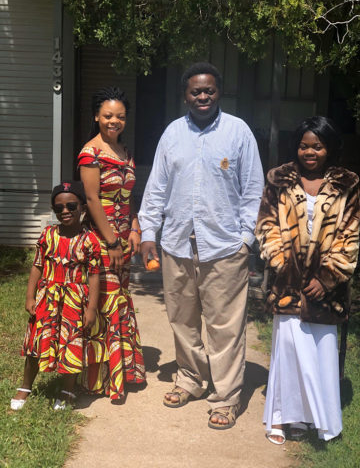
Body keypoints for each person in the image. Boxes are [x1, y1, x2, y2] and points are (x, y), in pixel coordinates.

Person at [138, 62, 264, 429]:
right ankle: (190, 380)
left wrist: (245, 239)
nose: (203, 96)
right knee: (183, 321)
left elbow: (253, 190)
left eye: (209, 90)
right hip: (177, 244)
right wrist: (149, 232)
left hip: (224, 248)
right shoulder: (172, 134)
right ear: (185, 96)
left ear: (218, 92)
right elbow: (157, 187)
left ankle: (225, 398)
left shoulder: (238, 132)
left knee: (225, 328)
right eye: (196, 91)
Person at [255, 116, 360, 444]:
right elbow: (266, 225)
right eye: (304, 146)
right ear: (296, 146)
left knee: (320, 352)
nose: (310, 152)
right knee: (288, 351)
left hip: (328, 290)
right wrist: (282, 263)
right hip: (288, 283)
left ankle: (313, 420)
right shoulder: (278, 179)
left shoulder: (348, 183)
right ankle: (281, 417)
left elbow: (351, 233)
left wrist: (328, 278)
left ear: (329, 148)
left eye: (317, 146)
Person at [78, 87, 146, 401]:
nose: (114, 121)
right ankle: (98, 379)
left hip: (123, 241)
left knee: (118, 303)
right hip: (101, 242)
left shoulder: (125, 151)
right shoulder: (90, 152)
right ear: (97, 116)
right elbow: (92, 200)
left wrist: (134, 229)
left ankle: (121, 372)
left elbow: (127, 198)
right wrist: (113, 242)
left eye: (120, 116)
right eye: (108, 116)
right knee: (103, 304)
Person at [10, 181, 101, 411]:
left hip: (74, 300)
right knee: (36, 342)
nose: (65, 211)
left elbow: (94, 277)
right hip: (47, 298)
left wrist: (91, 308)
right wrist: (30, 296)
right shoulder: (48, 234)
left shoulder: (89, 240)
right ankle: (26, 386)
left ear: (82, 207)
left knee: (71, 343)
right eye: (58, 208)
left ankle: (67, 389)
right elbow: (37, 266)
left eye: (71, 205)